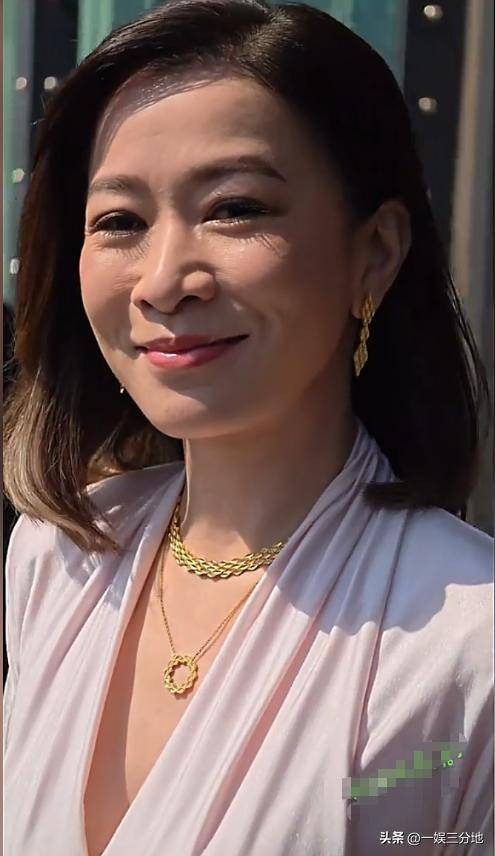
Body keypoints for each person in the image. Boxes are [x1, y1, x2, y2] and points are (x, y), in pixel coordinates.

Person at [3, 1, 492, 854]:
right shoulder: (59, 558)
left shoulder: (464, 643)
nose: (163, 281)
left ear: (374, 252)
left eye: (233, 208)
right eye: (119, 221)